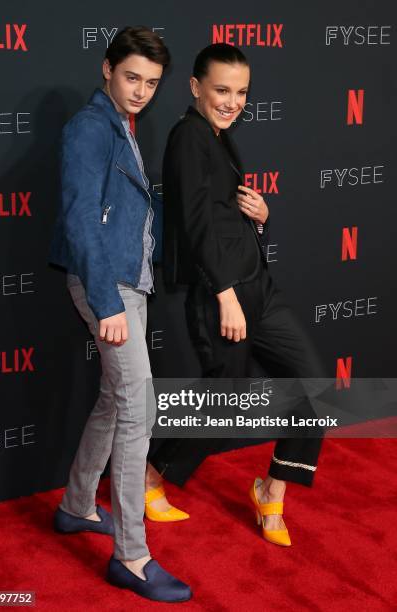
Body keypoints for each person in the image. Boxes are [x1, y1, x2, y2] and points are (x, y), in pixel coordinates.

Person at [148, 43, 326, 547]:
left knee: (313, 385)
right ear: (195, 87)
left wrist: (261, 219)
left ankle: (271, 489)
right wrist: (224, 293)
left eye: (242, 92)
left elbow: (221, 217)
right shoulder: (188, 137)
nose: (232, 101)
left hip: (259, 289)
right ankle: (150, 476)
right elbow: (194, 222)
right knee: (226, 400)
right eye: (222, 89)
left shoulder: (217, 137)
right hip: (222, 293)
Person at [49, 26, 191, 602]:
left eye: (152, 83)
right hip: (108, 286)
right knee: (138, 411)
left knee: (116, 399)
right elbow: (81, 217)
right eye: (132, 77)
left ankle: (78, 505)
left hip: (128, 282)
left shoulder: (120, 124)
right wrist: (107, 301)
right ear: (107, 69)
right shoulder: (89, 127)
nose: (141, 91)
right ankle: (132, 556)